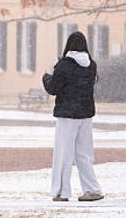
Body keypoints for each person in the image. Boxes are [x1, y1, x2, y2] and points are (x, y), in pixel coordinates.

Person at [42, 31, 104, 202]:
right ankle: (92, 189)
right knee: (84, 153)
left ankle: (62, 191)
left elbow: (54, 88)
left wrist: (46, 78)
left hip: (67, 113)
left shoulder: (64, 65)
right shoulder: (91, 65)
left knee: (63, 153)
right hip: (85, 113)